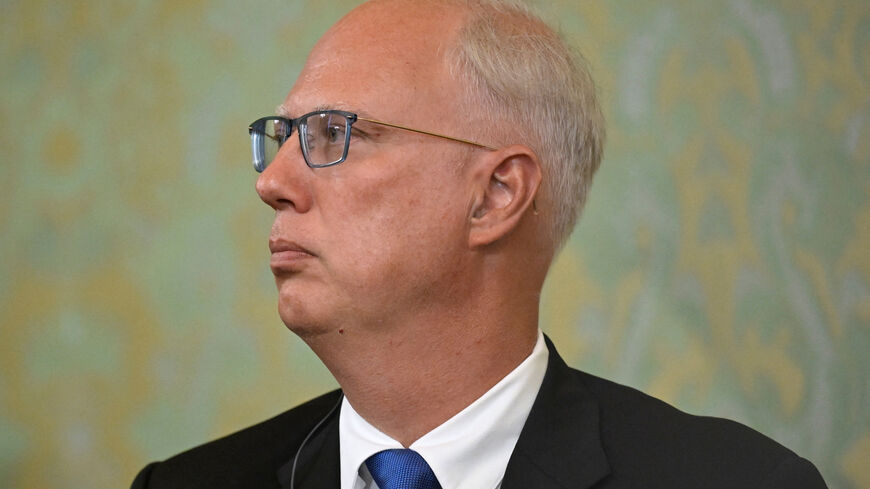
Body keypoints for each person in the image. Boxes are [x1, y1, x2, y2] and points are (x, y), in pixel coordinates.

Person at [131, 0, 828, 488]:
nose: (273, 182)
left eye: (333, 133)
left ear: (497, 194)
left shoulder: (734, 482)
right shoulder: (186, 483)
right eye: (281, 140)